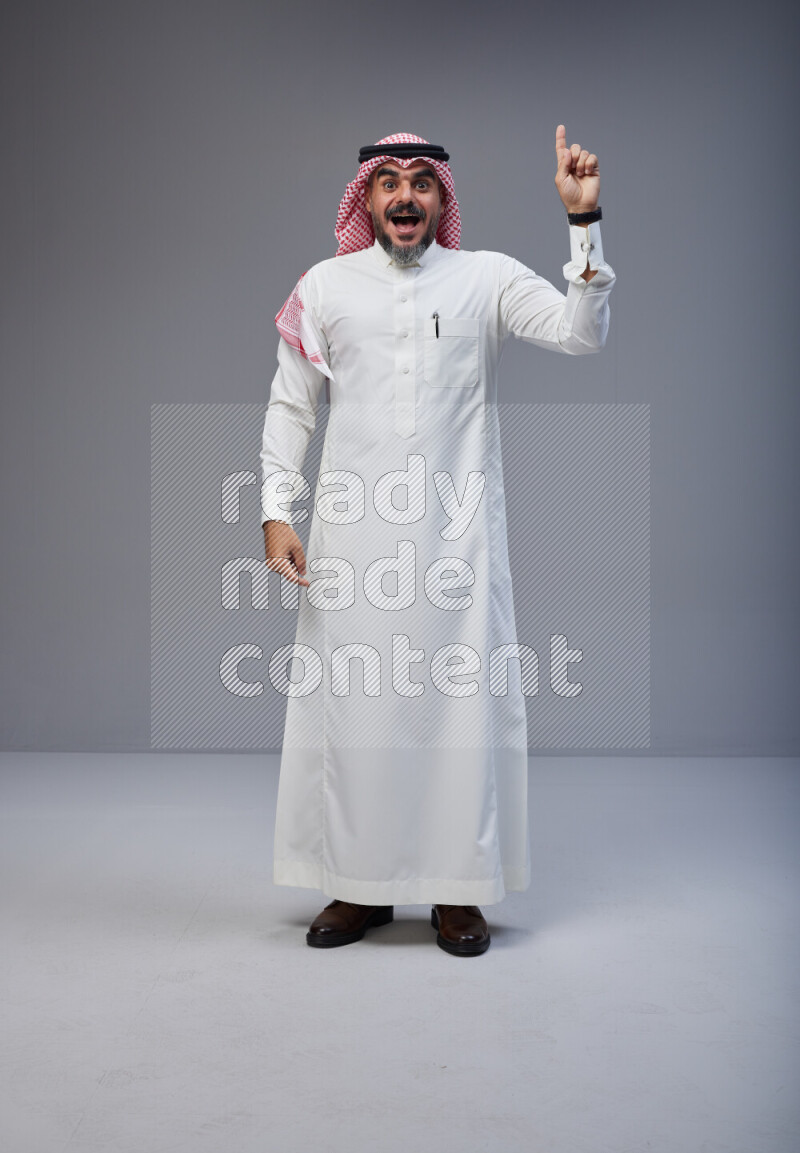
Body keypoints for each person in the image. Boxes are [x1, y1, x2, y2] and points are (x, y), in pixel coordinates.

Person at [259, 128, 615, 956]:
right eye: (388, 183)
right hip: (353, 542)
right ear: (366, 201)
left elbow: (581, 331)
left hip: (459, 546)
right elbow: (291, 406)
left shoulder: (484, 278)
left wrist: (584, 222)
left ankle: (459, 891)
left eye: (422, 182)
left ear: (443, 199)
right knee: (356, 710)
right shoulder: (324, 286)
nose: (405, 197)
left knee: (460, 714)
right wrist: (278, 509)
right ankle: (358, 886)